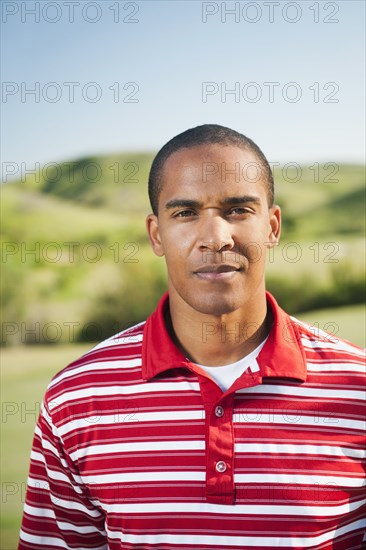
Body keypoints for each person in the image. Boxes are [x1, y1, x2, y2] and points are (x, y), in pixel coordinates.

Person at [19, 124, 365, 549]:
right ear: (156, 234)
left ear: (272, 226)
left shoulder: (358, 387)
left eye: (238, 210)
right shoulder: (75, 398)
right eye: (185, 213)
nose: (215, 238)